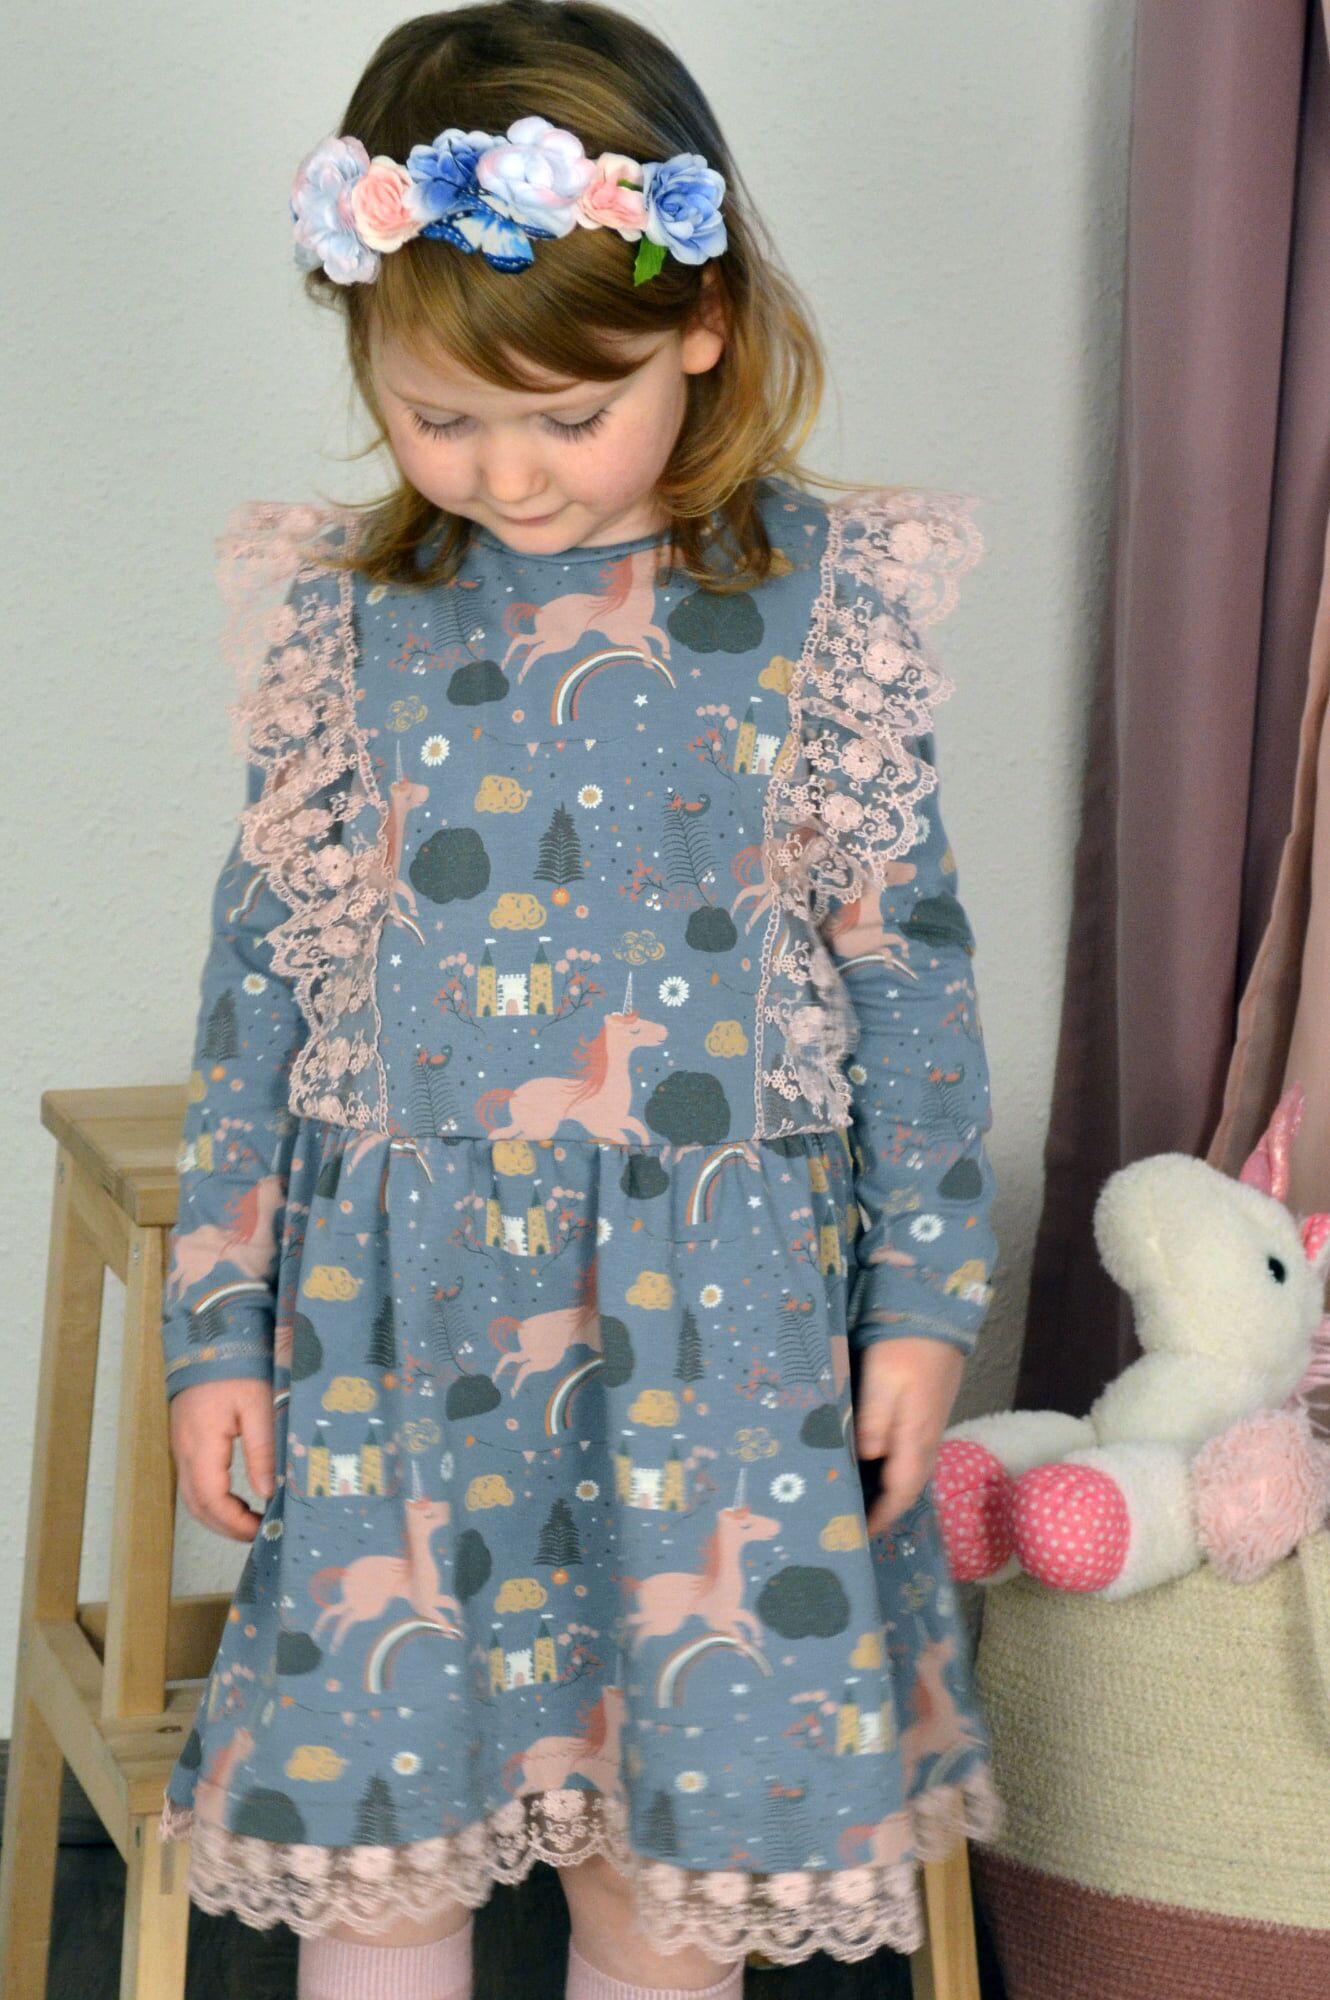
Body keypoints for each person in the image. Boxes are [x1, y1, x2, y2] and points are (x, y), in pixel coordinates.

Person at [155, 4, 1004, 1995]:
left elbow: (910, 989)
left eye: (565, 415)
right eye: (441, 420)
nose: (509, 475)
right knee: (381, 1847)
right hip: (397, 1340)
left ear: (697, 323)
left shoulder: (818, 612)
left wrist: (921, 1303)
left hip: (723, 1338)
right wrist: (216, 1324)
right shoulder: (348, 626)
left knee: (661, 1851)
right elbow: (259, 995)